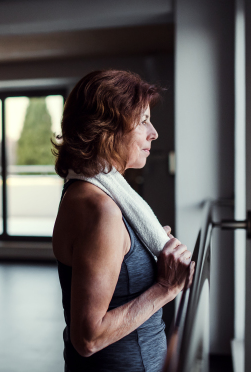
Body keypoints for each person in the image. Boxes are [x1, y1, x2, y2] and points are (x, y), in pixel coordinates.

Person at [52, 70, 195, 372]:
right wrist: (166, 288)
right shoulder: (99, 209)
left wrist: (141, 251)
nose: (153, 132)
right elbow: (88, 338)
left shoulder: (90, 193)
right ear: (107, 129)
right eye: (143, 120)